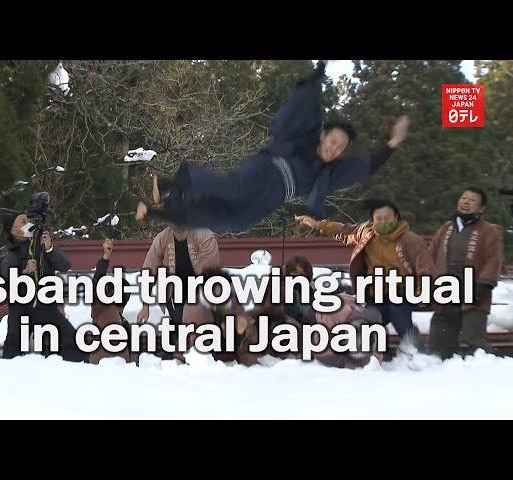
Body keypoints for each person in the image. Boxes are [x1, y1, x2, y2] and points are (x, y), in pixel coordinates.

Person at [137, 61, 410, 233]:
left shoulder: (330, 173)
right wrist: (320, 71)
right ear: (324, 136)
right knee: (233, 189)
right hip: (267, 169)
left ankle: (164, 212)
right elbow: (308, 97)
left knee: (234, 222)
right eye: (333, 141)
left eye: (340, 148)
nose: (334, 149)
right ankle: (178, 180)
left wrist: (393, 143)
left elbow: (366, 167)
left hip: (275, 197)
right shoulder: (306, 134)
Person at [296, 199, 435, 350]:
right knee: (368, 319)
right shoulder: (367, 234)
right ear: (373, 220)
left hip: (403, 292)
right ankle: (363, 355)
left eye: (387, 218)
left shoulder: (411, 240)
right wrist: (319, 225)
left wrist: (423, 292)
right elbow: (345, 230)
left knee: (397, 310)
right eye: (378, 219)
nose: (383, 222)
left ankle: (414, 350)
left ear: (396, 218)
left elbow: (426, 269)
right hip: (375, 294)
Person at [1, 212, 87, 362]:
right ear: (14, 230)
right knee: (12, 350)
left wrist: (49, 249)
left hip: (46, 307)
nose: (28, 224)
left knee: (72, 341)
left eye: (28, 220)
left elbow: (65, 265)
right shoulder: (11, 255)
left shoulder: (41, 247)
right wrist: (25, 273)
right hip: (21, 310)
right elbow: (7, 279)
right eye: (23, 222)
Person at [428, 186, 504, 359]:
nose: (465, 202)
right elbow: (430, 255)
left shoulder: (488, 231)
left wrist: (482, 286)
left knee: (473, 340)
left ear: (481, 208)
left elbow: (493, 260)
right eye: (463, 198)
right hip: (446, 290)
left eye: (471, 200)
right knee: (439, 339)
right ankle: (435, 372)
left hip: (474, 292)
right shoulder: (446, 228)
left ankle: (490, 369)